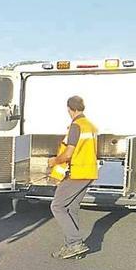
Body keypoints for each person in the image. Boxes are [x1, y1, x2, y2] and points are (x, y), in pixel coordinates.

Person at [47, 95, 98, 259]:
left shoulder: (76, 126)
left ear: (70, 109)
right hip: (89, 172)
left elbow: (68, 154)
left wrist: (53, 161)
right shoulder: (90, 125)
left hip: (77, 173)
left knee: (57, 206)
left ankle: (75, 242)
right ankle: (73, 247)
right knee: (72, 208)